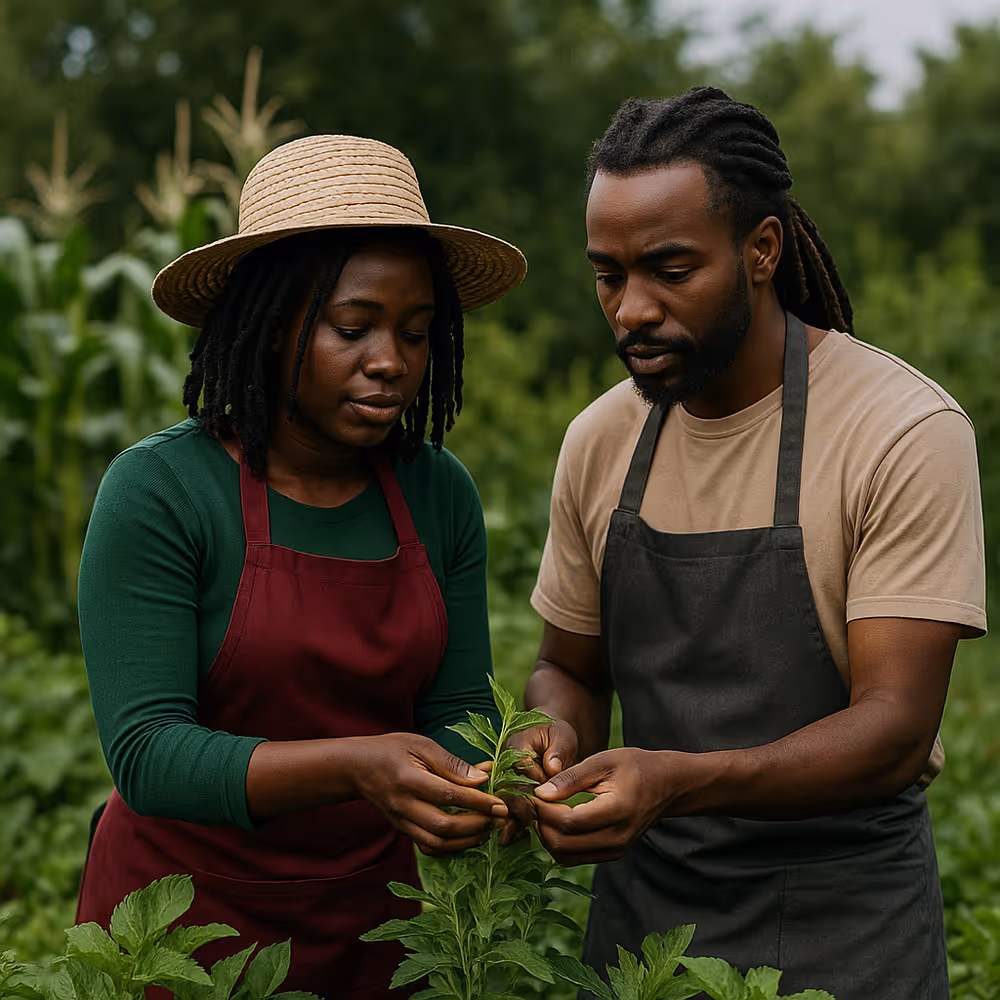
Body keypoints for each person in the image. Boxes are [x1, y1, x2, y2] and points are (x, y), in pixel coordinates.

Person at [515, 87, 985, 999]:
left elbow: (893, 730)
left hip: (846, 932)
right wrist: (554, 736)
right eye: (609, 275)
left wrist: (676, 782)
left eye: (670, 269)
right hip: (644, 934)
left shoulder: (899, 429)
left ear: (761, 250)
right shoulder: (600, 439)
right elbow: (567, 666)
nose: (631, 310)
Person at [76, 134, 527, 998]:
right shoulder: (162, 491)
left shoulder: (437, 493)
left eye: (418, 333)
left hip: (373, 927)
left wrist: (498, 770)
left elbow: (457, 708)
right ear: (269, 322)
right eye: (351, 328)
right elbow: (149, 753)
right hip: (179, 936)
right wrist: (358, 764)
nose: (391, 361)